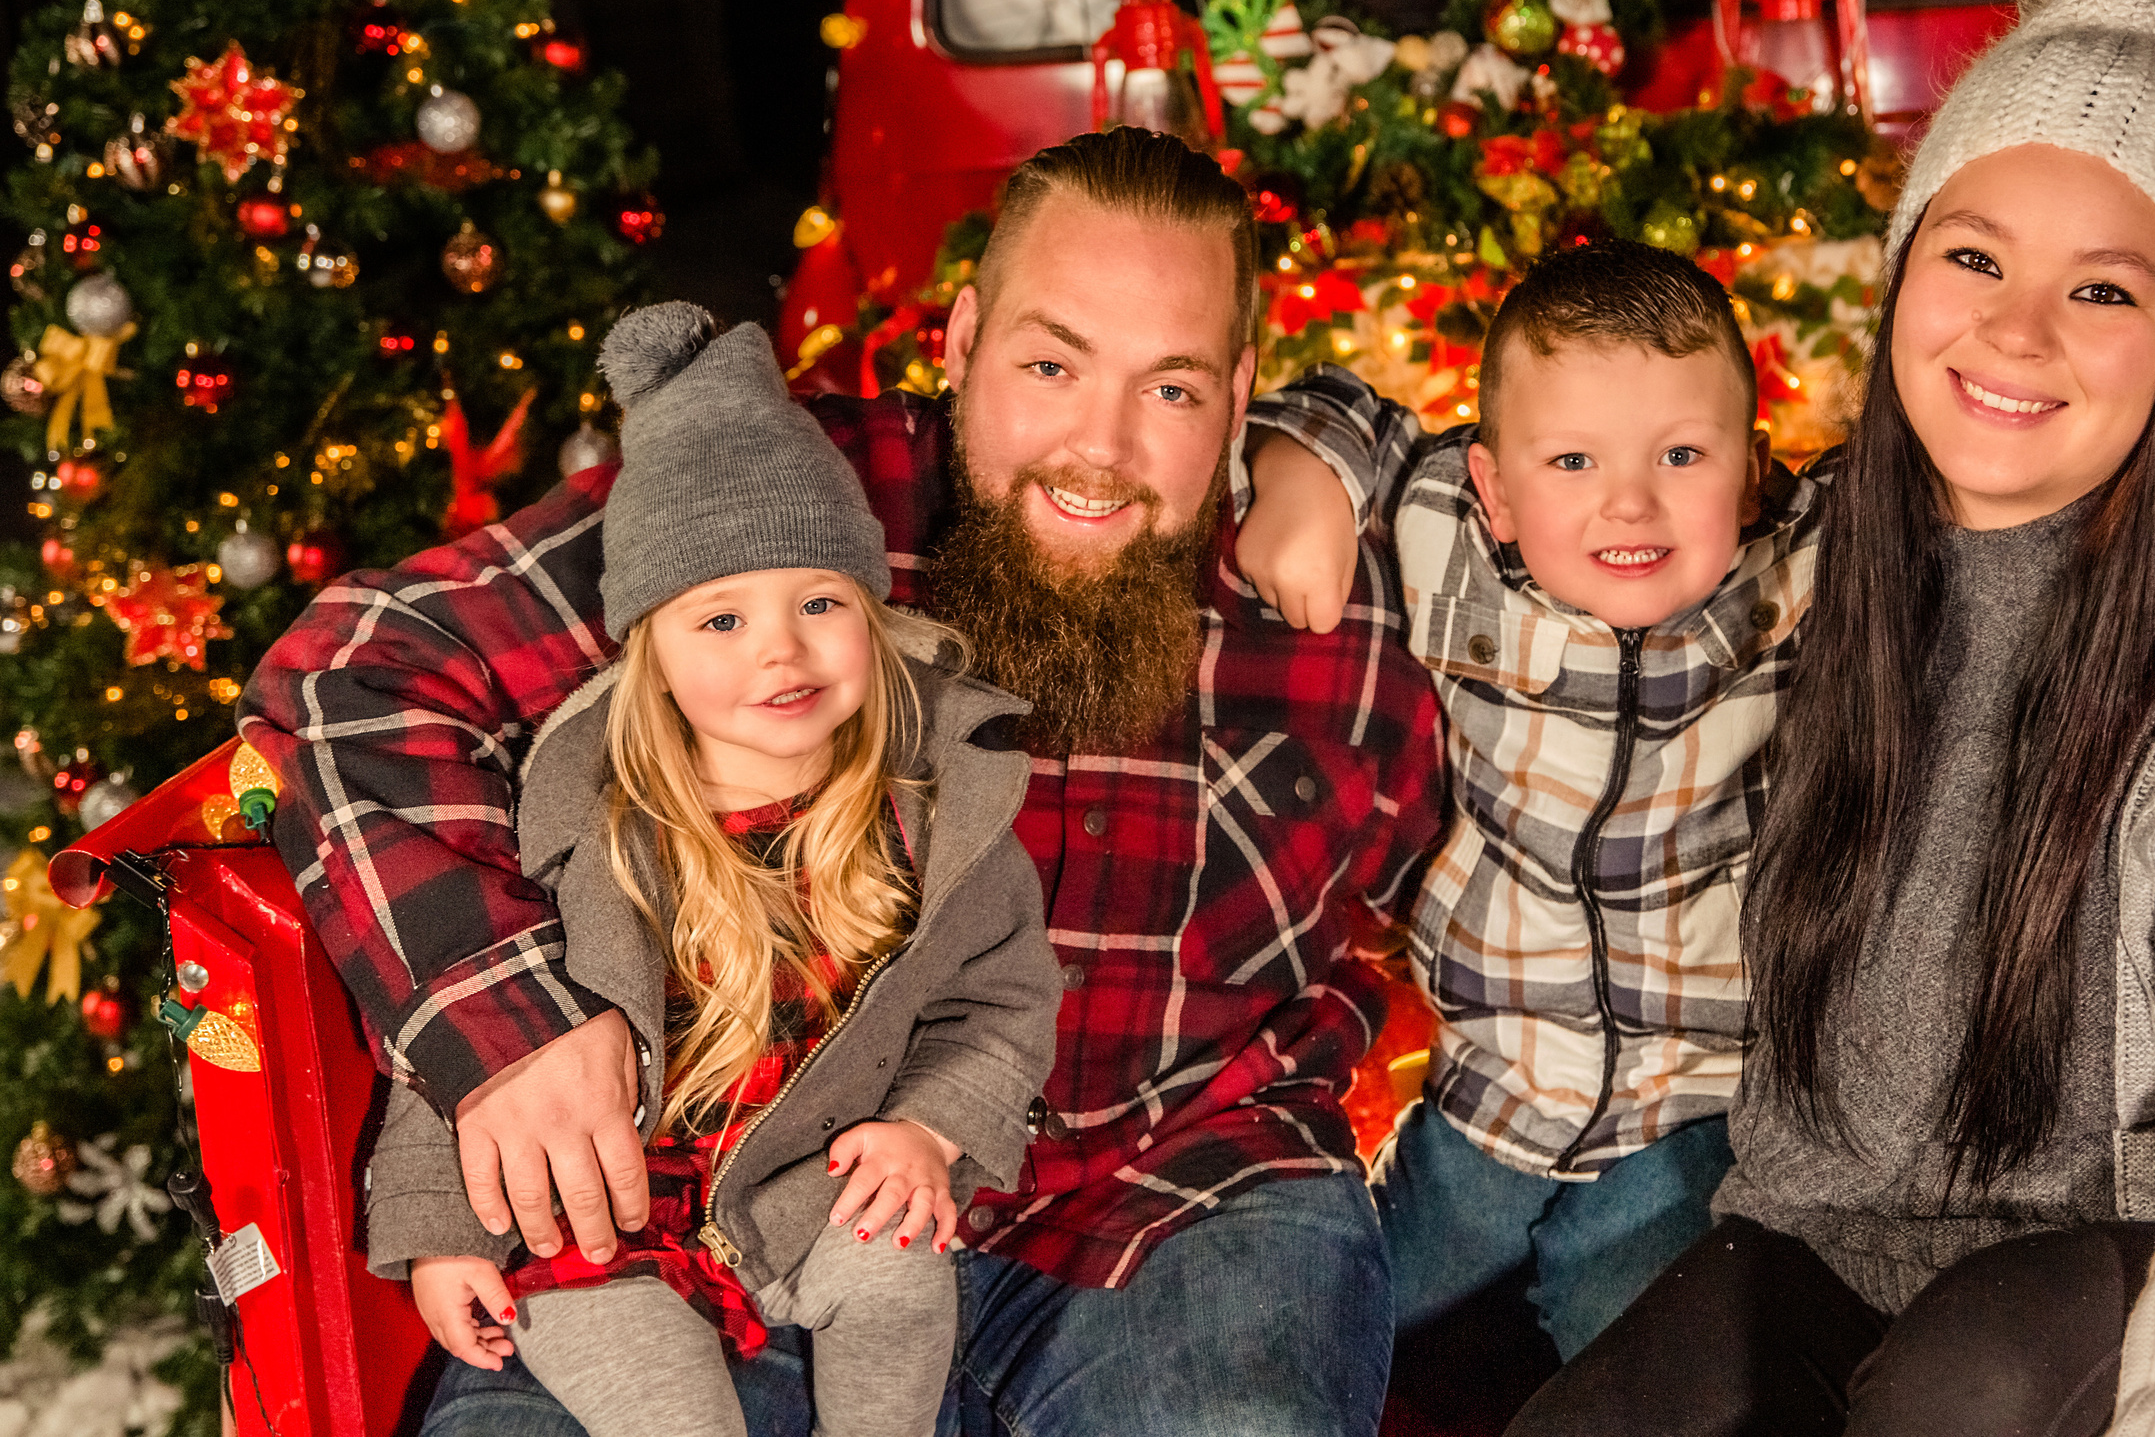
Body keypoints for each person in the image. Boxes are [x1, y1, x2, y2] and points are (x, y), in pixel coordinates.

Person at [240, 127, 1446, 1437]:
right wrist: (509, 1025)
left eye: (1172, 388)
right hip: (750, 1193)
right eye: (1051, 363)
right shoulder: (775, 513)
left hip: (1183, 1198)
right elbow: (355, 665)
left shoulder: (1342, 609)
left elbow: (1611, 623)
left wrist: (1344, 439)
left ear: (1241, 390)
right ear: (963, 337)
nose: (1099, 447)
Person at [1503, 0, 2155, 1437]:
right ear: (1907, 264)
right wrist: (1309, 462)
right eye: (1974, 254)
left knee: (1960, 1382)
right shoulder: (1833, 559)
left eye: (2103, 289)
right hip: (1869, 1255)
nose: (2017, 330)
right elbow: (1531, 500)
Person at [369, 302, 1060, 1437]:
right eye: (722, 620)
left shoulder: (931, 816)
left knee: (900, 1275)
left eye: (819, 602)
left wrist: (928, 1130)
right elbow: (470, 1055)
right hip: (603, 1223)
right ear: (654, 655)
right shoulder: (585, 834)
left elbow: (999, 1000)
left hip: (801, 1189)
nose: (780, 648)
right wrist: (444, 1233)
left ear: (874, 620)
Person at [1234, 241, 1817, 1363]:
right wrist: (1304, 475)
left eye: (1683, 453)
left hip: (1697, 1116)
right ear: (1495, 492)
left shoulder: (1797, 576)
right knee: (1329, 1326)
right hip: (1485, 1098)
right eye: (1571, 463)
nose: (1629, 502)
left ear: (1749, 470)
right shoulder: (1447, 538)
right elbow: (1347, 409)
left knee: (1633, 1351)